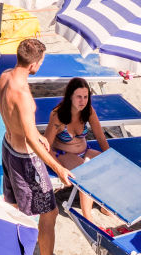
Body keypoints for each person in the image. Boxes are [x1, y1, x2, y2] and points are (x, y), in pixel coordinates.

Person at [0, 38, 76, 255]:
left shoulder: (5, 77)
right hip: (26, 159)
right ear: (35, 64)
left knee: (16, 206)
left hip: (8, 146)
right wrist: (59, 168)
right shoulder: (22, 95)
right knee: (49, 213)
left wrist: (34, 133)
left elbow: (14, 119)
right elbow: (30, 137)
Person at [44, 79, 110, 220]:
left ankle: (105, 205)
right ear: (70, 97)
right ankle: (88, 218)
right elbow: (46, 146)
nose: (83, 101)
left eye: (85, 97)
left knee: (107, 166)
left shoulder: (88, 111)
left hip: (85, 150)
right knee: (86, 176)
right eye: (79, 97)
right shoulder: (58, 116)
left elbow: (100, 136)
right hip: (63, 153)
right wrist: (58, 167)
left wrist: (109, 156)